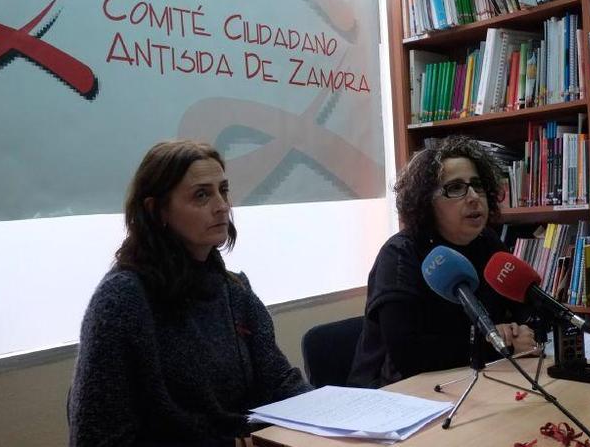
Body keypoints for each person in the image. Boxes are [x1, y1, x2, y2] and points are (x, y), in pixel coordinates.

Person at [69, 140, 311, 447]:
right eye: (201, 195)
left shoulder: (235, 291)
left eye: (223, 190)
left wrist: (334, 417)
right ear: (156, 211)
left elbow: (279, 382)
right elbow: (98, 437)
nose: (222, 205)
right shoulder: (121, 300)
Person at [347, 135, 537, 388]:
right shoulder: (400, 255)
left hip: (470, 379)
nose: (473, 197)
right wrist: (499, 345)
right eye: (456, 188)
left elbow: (528, 310)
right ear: (426, 201)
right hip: (393, 396)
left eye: (477, 185)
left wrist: (522, 331)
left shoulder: (487, 243)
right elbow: (410, 355)